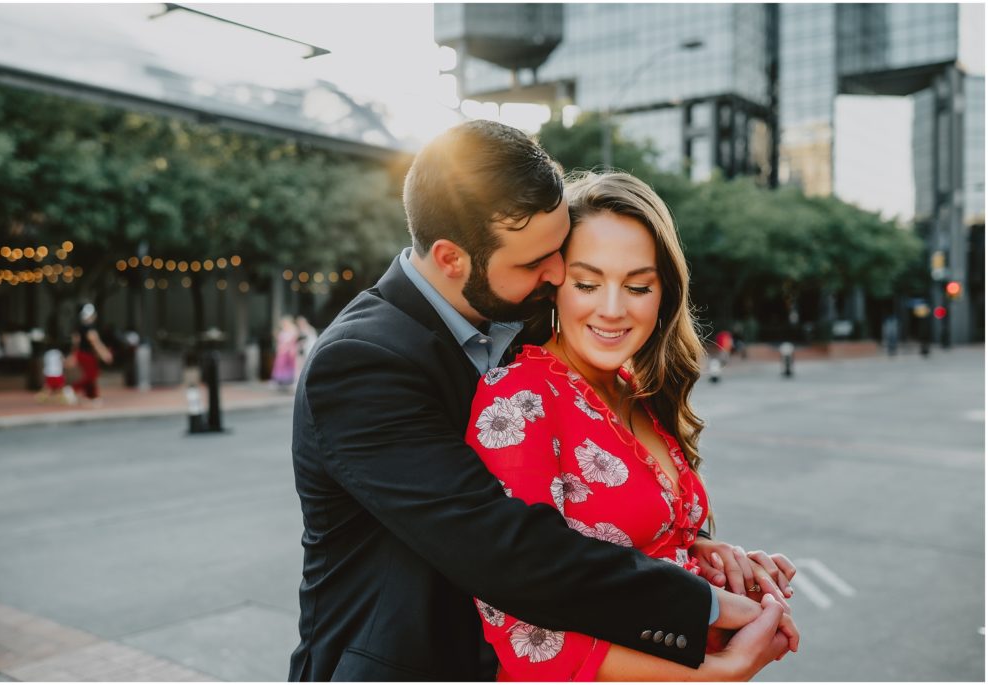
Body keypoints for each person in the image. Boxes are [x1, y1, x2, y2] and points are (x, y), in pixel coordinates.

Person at [289, 120, 791, 681]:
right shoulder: (362, 361)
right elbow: (505, 550)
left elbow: (601, 506)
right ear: (452, 259)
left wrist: (695, 553)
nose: (555, 275)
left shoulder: (517, 320)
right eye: (536, 263)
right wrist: (705, 613)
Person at [465, 172, 797, 680]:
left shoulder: (636, 390)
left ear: (665, 293)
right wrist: (712, 675)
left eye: (638, 286)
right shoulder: (517, 399)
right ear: (554, 285)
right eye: (587, 284)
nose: (612, 309)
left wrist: (713, 562)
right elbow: (518, 624)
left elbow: (644, 547)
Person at [69, 304, 113, 403]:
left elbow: (75, 342)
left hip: (81, 354)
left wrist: (74, 355)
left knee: (90, 375)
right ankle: (73, 389)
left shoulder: (79, 327)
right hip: (87, 355)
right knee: (91, 375)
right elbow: (95, 342)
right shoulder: (90, 328)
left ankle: (91, 395)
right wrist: (104, 354)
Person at [270, 316, 299, 390]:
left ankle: (288, 381)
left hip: (288, 352)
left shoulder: (292, 330)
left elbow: (291, 341)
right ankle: (280, 381)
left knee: (287, 366)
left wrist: (286, 348)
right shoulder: (283, 331)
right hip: (282, 351)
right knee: (280, 365)